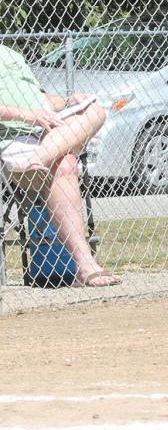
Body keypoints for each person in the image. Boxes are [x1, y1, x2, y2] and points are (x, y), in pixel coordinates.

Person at [0, 44, 121, 287]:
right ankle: (86, 266)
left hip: (47, 131)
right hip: (14, 135)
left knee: (94, 109)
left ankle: (39, 159)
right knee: (65, 164)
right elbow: (32, 110)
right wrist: (28, 116)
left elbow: (41, 98)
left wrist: (68, 100)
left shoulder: (11, 54)